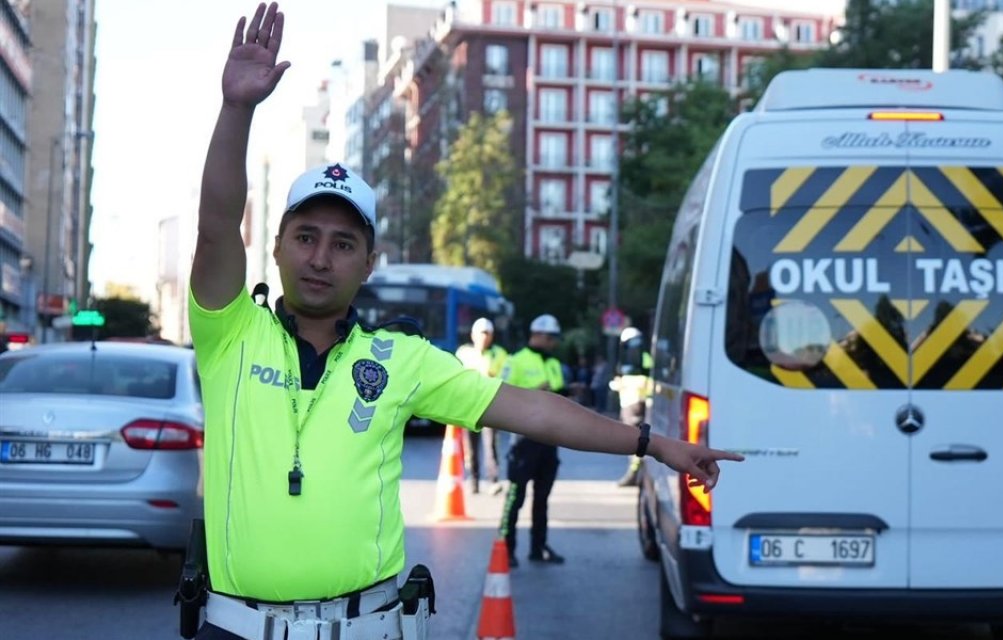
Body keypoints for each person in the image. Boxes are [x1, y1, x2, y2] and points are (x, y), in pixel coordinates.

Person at [184, 5, 742, 639]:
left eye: (343, 244)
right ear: (277, 245)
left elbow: (533, 410)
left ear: (369, 264)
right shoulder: (230, 333)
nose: (319, 257)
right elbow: (215, 225)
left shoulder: (400, 359)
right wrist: (237, 110)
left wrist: (653, 444)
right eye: (306, 236)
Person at [498, 314, 568, 566]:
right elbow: (500, 395)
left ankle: (538, 547)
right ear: (537, 334)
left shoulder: (554, 363)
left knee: (542, 497)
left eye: (555, 339)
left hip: (549, 439)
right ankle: (505, 548)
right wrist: (533, 394)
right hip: (524, 440)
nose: (553, 343)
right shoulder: (515, 361)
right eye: (550, 338)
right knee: (515, 497)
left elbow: (559, 395)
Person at [454, 317, 507, 494]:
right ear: (473, 335)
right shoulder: (463, 352)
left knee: (491, 444)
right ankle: (474, 480)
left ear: (492, 336)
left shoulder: (499, 353)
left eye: (487, 334)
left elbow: (505, 376)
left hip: (491, 405)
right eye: (481, 334)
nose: (484, 338)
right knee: (471, 446)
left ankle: (493, 480)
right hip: (468, 406)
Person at [610, 327, 653, 487]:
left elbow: (641, 378)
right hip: (634, 400)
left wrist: (620, 383)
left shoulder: (633, 356)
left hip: (633, 401)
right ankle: (636, 472)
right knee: (636, 438)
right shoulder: (644, 355)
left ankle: (634, 474)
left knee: (635, 439)